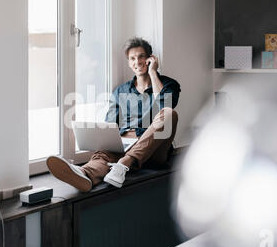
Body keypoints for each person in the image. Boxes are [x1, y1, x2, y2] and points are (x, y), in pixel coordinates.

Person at [47, 37, 181, 192]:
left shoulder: (169, 84)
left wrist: (152, 73)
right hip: (126, 143)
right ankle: (84, 174)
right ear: (128, 62)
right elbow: (110, 124)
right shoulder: (121, 91)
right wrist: (110, 141)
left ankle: (125, 162)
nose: (137, 62)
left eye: (141, 56)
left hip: (154, 148)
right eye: (132, 58)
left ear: (151, 59)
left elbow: (164, 106)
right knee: (104, 154)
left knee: (170, 114)